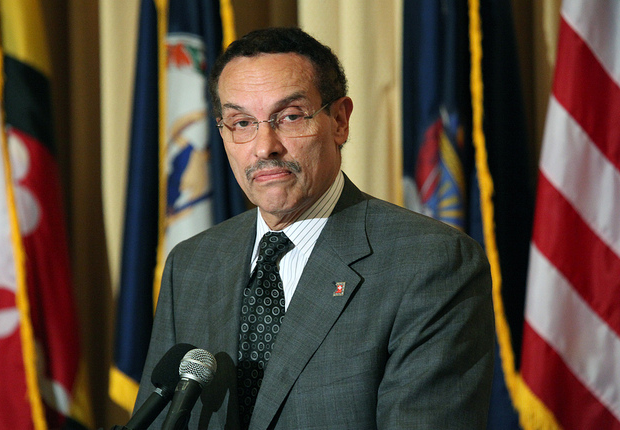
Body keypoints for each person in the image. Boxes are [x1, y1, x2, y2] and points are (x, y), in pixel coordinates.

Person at [135, 27, 495, 429]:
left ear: (339, 121)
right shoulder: (192, 263)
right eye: (241, 123)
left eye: (289, 117)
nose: (264, 146)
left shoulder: (431, 262)